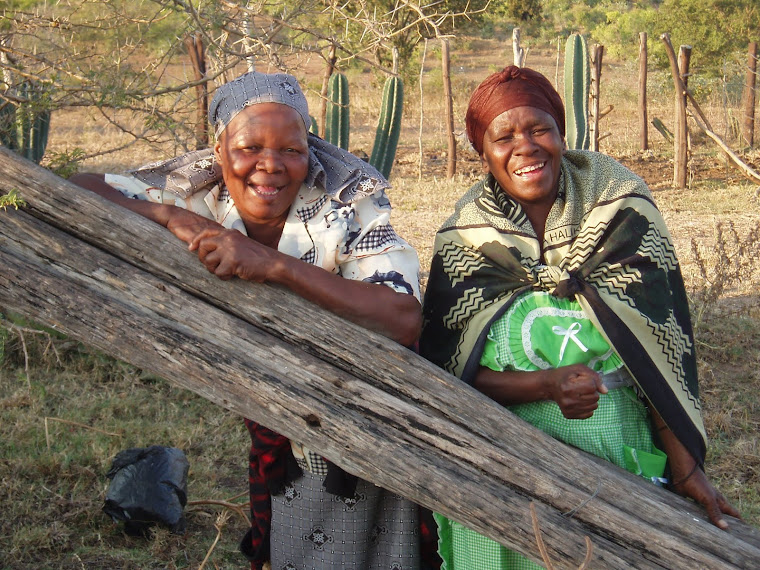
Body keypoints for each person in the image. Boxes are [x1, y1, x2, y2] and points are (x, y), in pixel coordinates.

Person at [71, 71, 434, 570]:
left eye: (291, 149)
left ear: (310, 154)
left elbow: (402, 317)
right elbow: (79, 188)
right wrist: (175, 220)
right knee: (290, 520)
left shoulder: (345, 205)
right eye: (249, 148)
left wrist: (278, 268)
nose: (271, 166)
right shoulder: (198, 196)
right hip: (273, 402)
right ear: (219, 152)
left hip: (371, 402)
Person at [418, 65, 740, 569]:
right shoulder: (464, 239)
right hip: (500, 470)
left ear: (562, 133)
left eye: (539, 128)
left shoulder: (621, 212)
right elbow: (449, 370)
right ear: (483, 152)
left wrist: (686, 470)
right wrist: (544, 385)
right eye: (504, 136)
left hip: (615, 464)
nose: (525, 146)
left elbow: (659, 344)